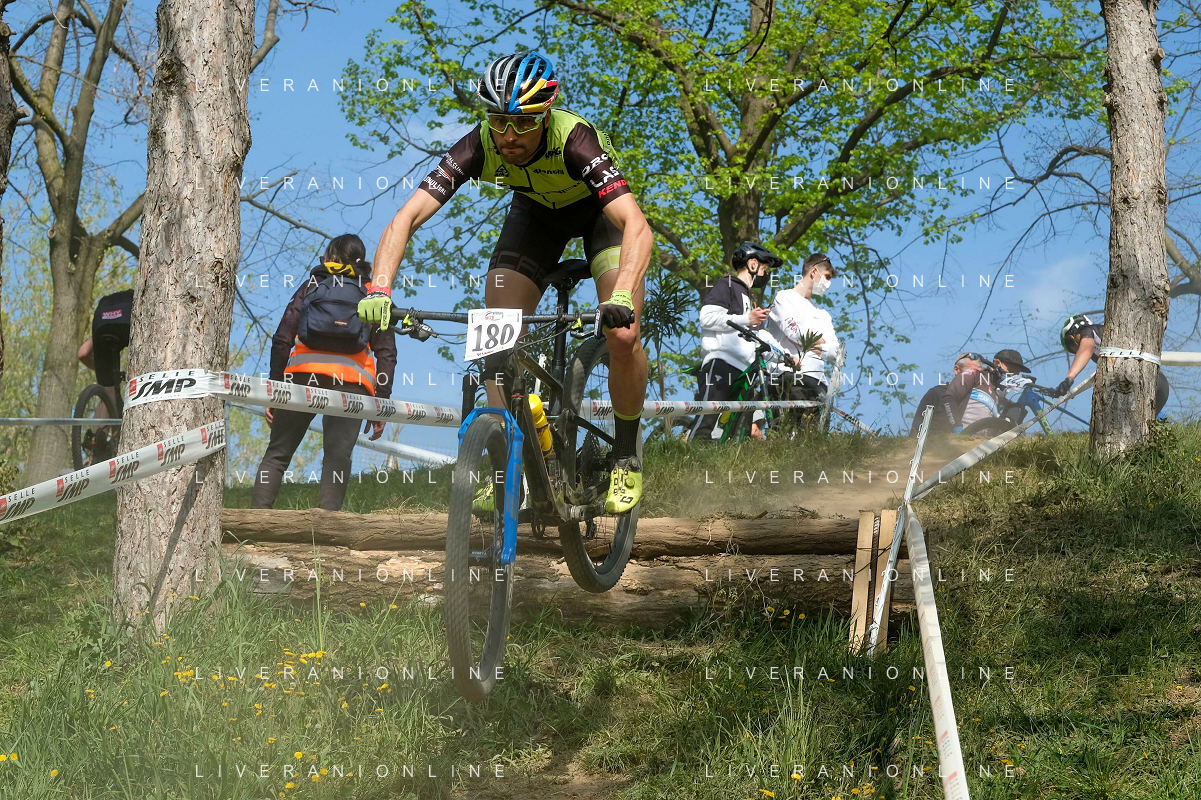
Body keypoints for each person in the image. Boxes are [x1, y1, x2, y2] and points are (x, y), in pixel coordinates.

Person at [357, 51, 653, 514]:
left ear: (546, 115)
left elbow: (636, 225)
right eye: (499, 122)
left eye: (523, 123)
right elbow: (407, 217)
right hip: (536, 218)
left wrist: (620, 294)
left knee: (622, 335)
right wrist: (379, 287)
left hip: (601, 217)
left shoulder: (575, 141)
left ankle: (625, 454)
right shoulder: (479, 144)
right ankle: (505, 464)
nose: (509, 135)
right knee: (495, 339)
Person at [251, 234, 397, 512]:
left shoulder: (312, 285)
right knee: (337, 457)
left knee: (278, 453)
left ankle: (257, 518)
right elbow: (386, 352)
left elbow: (282, 338)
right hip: (352, 385)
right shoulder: (372, 294)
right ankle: (327, 525)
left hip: (301, 379)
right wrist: (381, 400)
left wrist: (275, 387)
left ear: (330, 256)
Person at [689, 241, 791, 441]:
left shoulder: (750, 300)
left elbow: (760, 337)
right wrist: (746, 319)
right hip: (721, 364)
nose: (766, 275)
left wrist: (786, 356)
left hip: (744, 372)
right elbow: (707, 318)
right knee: (706, 424)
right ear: (753, 264)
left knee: (738, 433)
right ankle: (689, 456)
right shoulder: (726, 285)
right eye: (765, 269)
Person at [765, 252, 841, 429]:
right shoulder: (784, 298)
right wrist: (820, 342)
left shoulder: (822, 314)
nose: (828, 283)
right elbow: (794, 333)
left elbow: (835, 351)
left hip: (818, 383)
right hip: (787, 377)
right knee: (786, 434)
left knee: (814, 439)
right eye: (827, 277)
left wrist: (808, 342)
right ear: (814, 271)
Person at [1052, 314, 1170, 416]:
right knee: (1146, 426)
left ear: (1071, 337)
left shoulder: (1085, 331)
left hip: (1137, 380)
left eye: (1073, 349)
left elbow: (1086, 349)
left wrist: (1069, 379)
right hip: (1159, 382)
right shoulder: (1103, 338)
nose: (1077, 351)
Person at [78, 288, 134, 407]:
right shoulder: (132, 302)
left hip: (102, 322)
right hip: (126, 318)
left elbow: (82, 353)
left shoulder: (104, 316)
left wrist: (104, 370)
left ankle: (102, 417)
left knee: (108, 393)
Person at [992, 348, 1032, 424]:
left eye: (1015, 375)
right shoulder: (978, 380)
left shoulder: (1007, 404)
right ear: (997, 363)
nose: (1012, 378)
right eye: (1010, 372)